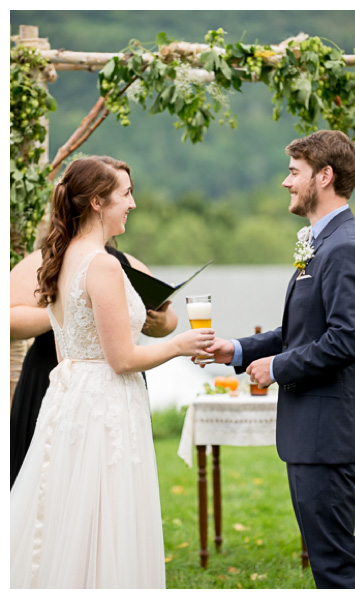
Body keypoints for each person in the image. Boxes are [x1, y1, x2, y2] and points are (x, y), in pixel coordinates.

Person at [9, 156, 214, 588]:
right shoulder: (102, 265)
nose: (133, 204)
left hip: (71, 395)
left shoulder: (62, 256)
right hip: (104, 399)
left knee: (72, 510)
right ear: (98, 202)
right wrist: (181, 345)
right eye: (125, 194)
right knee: (105, 513)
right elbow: (121, 359)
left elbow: (72, 347)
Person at [202, 131, 355, 589]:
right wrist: (238, 351)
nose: (286, 182)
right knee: (326, 561)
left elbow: (346, 341)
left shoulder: (345, 248)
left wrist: (277, 368)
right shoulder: (320, 242)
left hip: (328, 437)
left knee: (337, 566)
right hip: (310, 435)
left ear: (324, 176)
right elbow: (301, 332)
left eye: (294, 172)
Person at [10, 245, 178, 488]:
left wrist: (159, 321)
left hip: (119, 387)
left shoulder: (128, 264)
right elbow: (10, 319)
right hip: (53, 379)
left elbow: (170, 317)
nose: (131, 205)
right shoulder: (44, 259)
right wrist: (65, 309)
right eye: (125, 203)